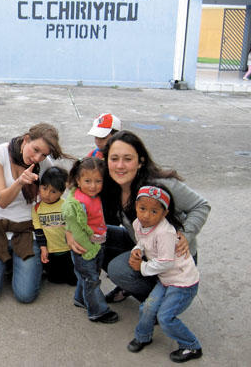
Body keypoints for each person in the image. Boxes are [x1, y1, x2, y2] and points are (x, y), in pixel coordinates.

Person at [67, 130, 210, 305]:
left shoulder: (160, 186)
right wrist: (70, 232)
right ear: (106, 161)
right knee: (98, 236)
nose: (120, 165)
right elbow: (75, 200)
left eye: (128, 159)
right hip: (143, 244)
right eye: (114, 159)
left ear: (140, 162)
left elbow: (201, 205)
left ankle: (161, 301)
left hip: (173, 255)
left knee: (117, 270)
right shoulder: (109, 186)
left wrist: (185, 235)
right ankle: (132, 285)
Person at [0, 123, 70, 304]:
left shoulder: (44, 164)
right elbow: (2, 201)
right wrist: (20, 182)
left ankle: (19, 265)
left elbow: (58, 189)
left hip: (28, 231)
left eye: (43, 154)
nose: (37, 158)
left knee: (25, 295)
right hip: (0, 228)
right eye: (35, 150)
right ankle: (9, 263)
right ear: (26, 139)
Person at [127, 185, 202, 363]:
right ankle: (143, 336)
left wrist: (142, 267)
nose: (146, 215)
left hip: (183, 282)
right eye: (142, 208)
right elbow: (143, 241)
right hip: (166, 279)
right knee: (147, 307)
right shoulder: (138, 223)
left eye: (154, 211)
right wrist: (137, 250)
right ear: (135, 206)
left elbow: (166, 262)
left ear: (164, 213)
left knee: (165, 317)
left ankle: (192, 345)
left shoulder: (165, 232)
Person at [62, 158, 119, 324]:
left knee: (88, 276)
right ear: (78, 181)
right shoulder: (78, 202)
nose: (93, 186)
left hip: (97, 243)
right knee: (92, 279)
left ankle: (81, 298)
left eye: (98, 181)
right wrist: (86, 247)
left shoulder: (94, 196)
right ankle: (98, 311)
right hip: (85, 248)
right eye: (87, 181)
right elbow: (71, 221)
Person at [32, 166, 76, 285]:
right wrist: (43, 248)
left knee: (73, 280)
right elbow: (38, 230)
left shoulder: (66, 205)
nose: (47, 194)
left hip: (68, 249)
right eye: (44, 188)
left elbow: (73, 227)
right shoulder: (37, 208)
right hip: (50, 250)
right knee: (54, 279)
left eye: (53, 191)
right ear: (39, 186)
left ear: (61, 192)